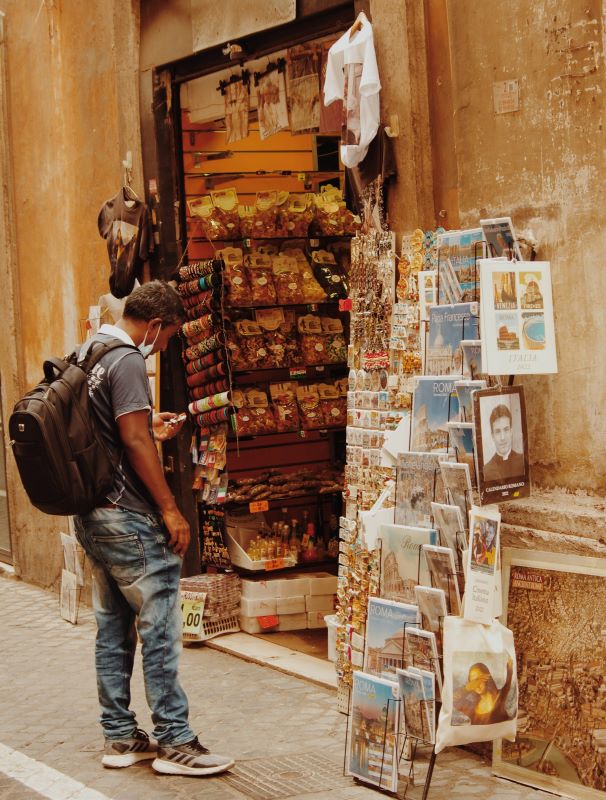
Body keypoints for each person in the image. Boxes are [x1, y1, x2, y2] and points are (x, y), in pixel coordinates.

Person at [74, 280, 234, 777]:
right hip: (127, 515)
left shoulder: (87, 352)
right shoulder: (125, 360)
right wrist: (169, 508)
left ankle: (120, 736)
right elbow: (134, 442)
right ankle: (175, 740)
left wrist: (150, 430)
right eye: (166, 340)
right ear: (157, 324)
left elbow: (118, 435)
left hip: (94, 513)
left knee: (112, 628)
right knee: (160, 628)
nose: (162, 347)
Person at [453, 658, 515, 725]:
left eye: (479, 679)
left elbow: (509, 678)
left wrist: (510, 663)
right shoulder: (471, 707)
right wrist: (467, 688)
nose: (476, 685)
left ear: (487, 678)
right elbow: (453, 701)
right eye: (473, 682)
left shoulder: (499, 696)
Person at [482, 404, 524, 482]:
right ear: (492, 436)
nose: (502, 438)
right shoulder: (487, 470)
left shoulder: (523, 462)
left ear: (511, 432)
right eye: (498, 432)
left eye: (506, 430)